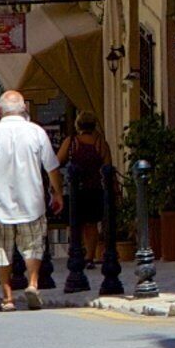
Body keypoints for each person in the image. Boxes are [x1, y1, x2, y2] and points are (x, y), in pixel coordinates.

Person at [0, 90, 54, 314]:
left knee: (0, 248)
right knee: (33, 246)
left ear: (0, 111)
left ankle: (8, 298)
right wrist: (57, 193)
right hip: (32, 201)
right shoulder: (37, 132)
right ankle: (33, 283)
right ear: (24, 108)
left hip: (0, 204)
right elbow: (52, 167)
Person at [58, 124, 119, 292]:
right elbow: (108, 166)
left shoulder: (71, 141)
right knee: (91, 224)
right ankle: (90, 257)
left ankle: (75, 253)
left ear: (78, 125)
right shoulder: (100, 143)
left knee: (75, 223)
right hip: (95, 188)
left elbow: (58, 160)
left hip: (75, 190)